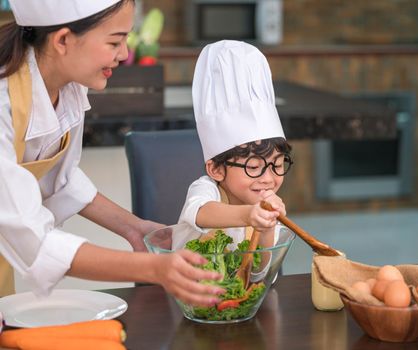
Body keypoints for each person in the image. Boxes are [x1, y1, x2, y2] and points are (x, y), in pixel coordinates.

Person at [0, 0, 224, 307]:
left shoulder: (66, 88)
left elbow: (57, 179)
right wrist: (156, 268)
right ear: (63, 40)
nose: (124, 54)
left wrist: (134, 228)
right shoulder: (3, 104)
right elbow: (33, 239)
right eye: (114, 42)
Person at [177, 40, 293, 259]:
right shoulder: (206, 190)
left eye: (277, 165)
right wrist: (250, 214)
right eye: (254, 167)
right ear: (216, 169)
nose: (269, 178)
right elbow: (201, 212)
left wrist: (267, 229)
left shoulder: (265, 207)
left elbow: (260, 272)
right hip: (187, 288)